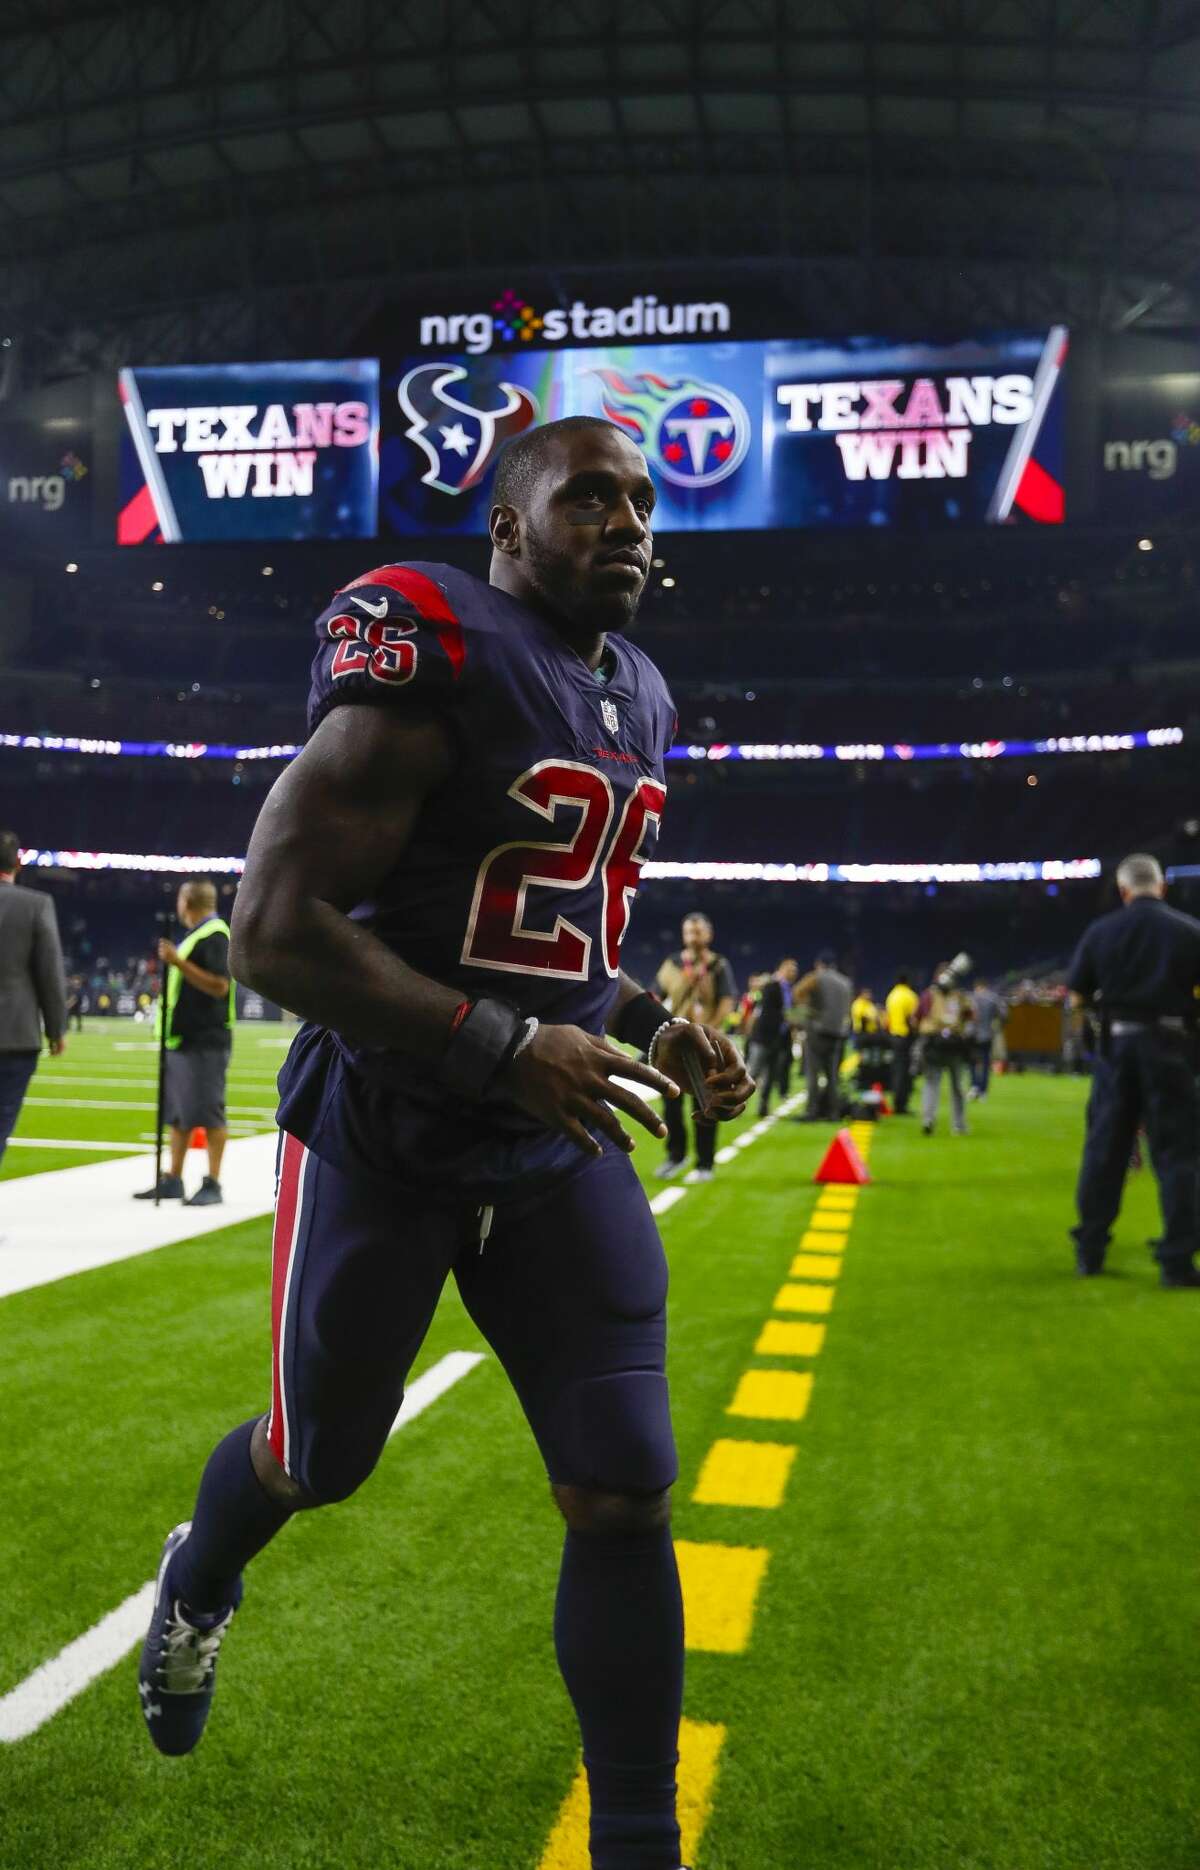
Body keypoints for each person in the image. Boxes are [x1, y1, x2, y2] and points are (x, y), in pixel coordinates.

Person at [136, 416, 752, 1870]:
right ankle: (200, 1572)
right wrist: (496, 1045)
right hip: (389, 1127)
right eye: (589, 496)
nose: (628, 523)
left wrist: (654, 1020)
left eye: (645, 503)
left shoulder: (637, 690)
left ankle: (639, 1843)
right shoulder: (432, 643)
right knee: (315, 1459)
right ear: (508, 524)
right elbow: (278, 929)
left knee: (625, 1479)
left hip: (549, 1142)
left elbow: (552, 935)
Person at [1067, 852, 1200, 1286]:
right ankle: (1177, 1261)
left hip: (1117, 1049)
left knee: (1106, 1150)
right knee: (1178, 1154)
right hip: (1172, 1047)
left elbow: (1077, 997)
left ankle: (1091, 1251)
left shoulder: (1101, 932)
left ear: (1124, 891)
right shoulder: (1188, 931)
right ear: (1161, 886)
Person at [134, 880, 235, 1207]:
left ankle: (214, 1182)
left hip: (205, 1039)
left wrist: (178, 962)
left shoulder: (215, 935)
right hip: (183, 1039)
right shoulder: (199, 935)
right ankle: (173, 1178)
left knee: (209, 1110)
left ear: (187, 901)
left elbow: (220, 985)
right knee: (179, 1113)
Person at [0, 830, 67, 1168]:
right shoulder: (35, 904)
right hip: (16, 1034)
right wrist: (56, 1030)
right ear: (18, 863)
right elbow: (50, 972)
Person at [654, 912, 738, 1181]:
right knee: (671, 1104)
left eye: (698, 931)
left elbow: (726, 1001)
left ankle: (704, 1164)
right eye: (689, 931)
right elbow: (656, 996)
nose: (693, 936)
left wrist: (709, 1031)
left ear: (708, 935)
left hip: (706, 1046)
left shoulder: (718, 965)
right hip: (675, 1045)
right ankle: (675, 1156)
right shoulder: (672, 963)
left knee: (706, 1105)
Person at [793, 949, 852, 1121]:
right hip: (838, 1034)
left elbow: (797, 992)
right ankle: (833, 1113)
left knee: (813, 1073)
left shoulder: (816, 977)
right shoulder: (845, 982)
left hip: (818, 1031)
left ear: (819, 964)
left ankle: (812, 1111)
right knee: (832, 1076)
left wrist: (809, 1008)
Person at [917, 965, 975, 1136]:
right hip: (949, 1044)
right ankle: (957, 1124)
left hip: (940, 1044)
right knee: (955, 1086)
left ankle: (930, 1119)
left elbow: (917, 1017)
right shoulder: (957, 996)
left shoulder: (931, 995)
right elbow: (970, 1016)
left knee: (933, 1084)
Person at [745, 958, 799, 1118]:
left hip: (779, 1040)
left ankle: (764, 1106)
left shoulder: (789, 990)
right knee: (753, 1072)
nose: (793, 973)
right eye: (790, 970)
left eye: (795, 971)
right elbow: (768, 1013)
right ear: (781, 969)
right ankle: (738, 1103)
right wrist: (787, 1016)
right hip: (763, 1037)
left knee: (770, 1075)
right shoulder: (771, 986)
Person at [884, 969, 920, 1114]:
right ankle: (901, 1105)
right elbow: (913, 1019)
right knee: (905, 1072)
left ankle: (897, 1102)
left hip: (893, 1036)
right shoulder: (910, 996)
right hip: (906, 1037)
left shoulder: (891, 995)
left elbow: (887, 1019)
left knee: (896, 1070)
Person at [969, 976, 1005, 1099]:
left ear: (977, 986)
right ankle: (983, 1091)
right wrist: (997, 1027)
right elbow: (1004, 1014)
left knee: (973, 1062)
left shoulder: (971, 997)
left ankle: (974, 1086)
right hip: (988, 1034)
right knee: (985, 1063)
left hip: (972, 1035)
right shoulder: (993, 998)